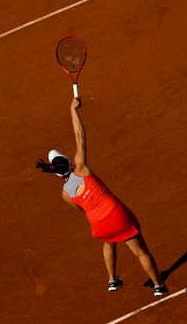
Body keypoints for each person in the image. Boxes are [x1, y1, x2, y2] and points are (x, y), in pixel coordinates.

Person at [35, 97, 168, 296]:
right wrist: (73, 109)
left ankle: (112, 280)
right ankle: (158, 286)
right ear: (69, 162)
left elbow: (82, 210)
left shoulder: (65, 194)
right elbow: (80, 135)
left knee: (109, 241)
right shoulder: (81, 167)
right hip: (116, 214)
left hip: (98, 223)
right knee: (140, 250)